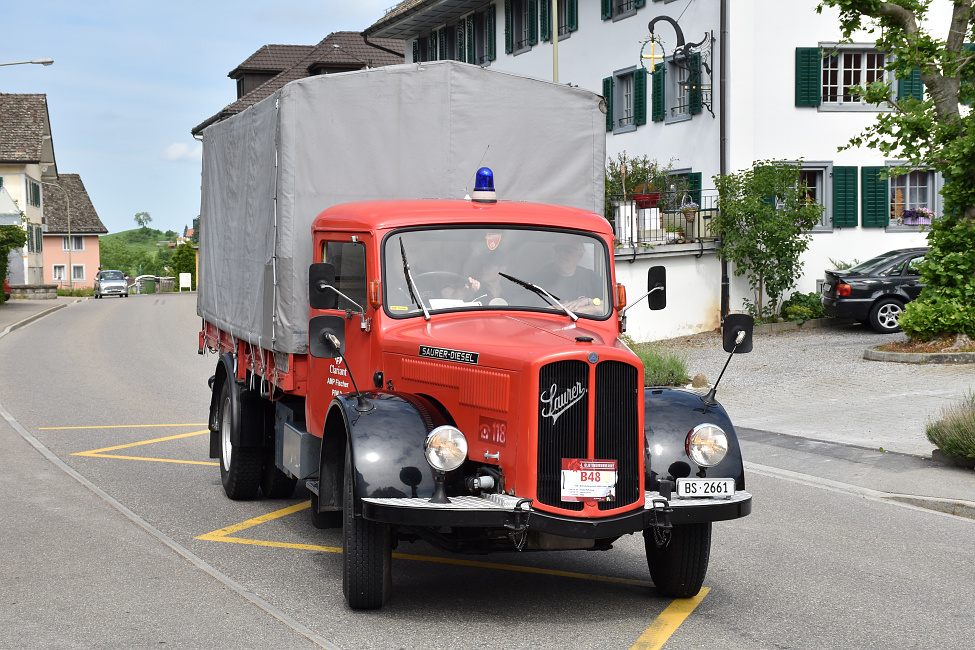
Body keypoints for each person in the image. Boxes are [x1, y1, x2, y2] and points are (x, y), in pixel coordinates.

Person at [537, 238, 605, 314]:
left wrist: (587, 301)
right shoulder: (542, 276)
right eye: (559, 249)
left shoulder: (590, 277)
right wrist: (594, 308)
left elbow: (610, 306)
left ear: (580, 256)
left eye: (568, 250)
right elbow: (543, 311)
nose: (562, 254)